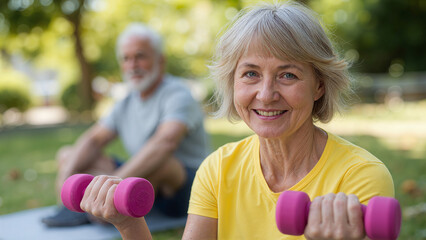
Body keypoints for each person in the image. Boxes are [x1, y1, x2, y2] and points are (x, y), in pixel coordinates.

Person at [73, 2, 395, 239]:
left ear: (319, 86)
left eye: (288, 75)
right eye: (251, 74)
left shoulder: (362, 179)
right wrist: (129, 224)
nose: (266, 94)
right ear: (233, 83)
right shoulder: (217, 170)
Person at [41, 23, 210, 227]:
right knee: (68, 155)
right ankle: (88, 208)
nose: (132, 65)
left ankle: (107, 206)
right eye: (126, 58)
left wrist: (112, 185)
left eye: (140, 56)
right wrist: (65, 178)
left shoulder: (178, 94)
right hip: (144, 180)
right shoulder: (126, 101)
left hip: (186, 190)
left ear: (160, 60)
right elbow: (94, 140)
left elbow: (165, 143)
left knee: (164, 162)